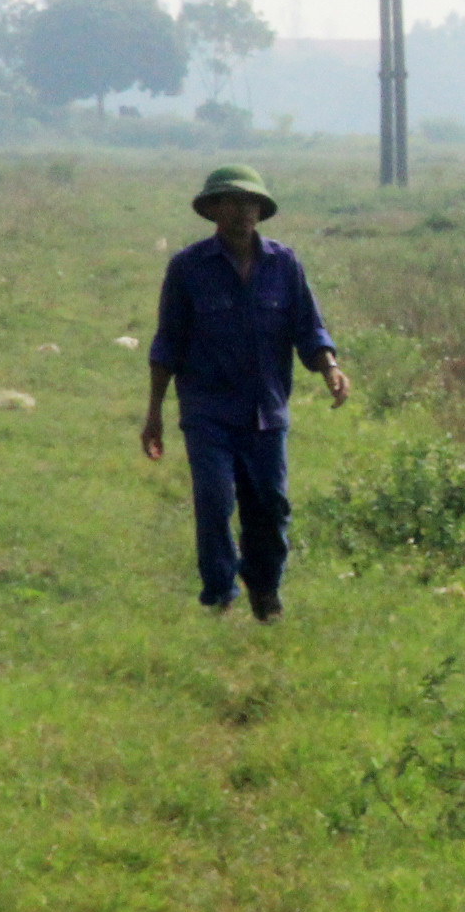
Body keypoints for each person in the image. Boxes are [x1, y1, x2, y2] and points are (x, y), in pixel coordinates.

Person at [140, 164, 348, 621]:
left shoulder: (284, 265)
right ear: (213, 209)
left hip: (265, 413)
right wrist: (154, 414)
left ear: (261, 210)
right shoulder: (188, 269)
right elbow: (167, 345)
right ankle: (220, 595)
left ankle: (264, 589)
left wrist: (329, 367)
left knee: (269, 510)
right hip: (207, 412)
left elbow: (308, 330)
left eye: (251, 203)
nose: (243, 212)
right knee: (214, 501)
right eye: (232, 202)